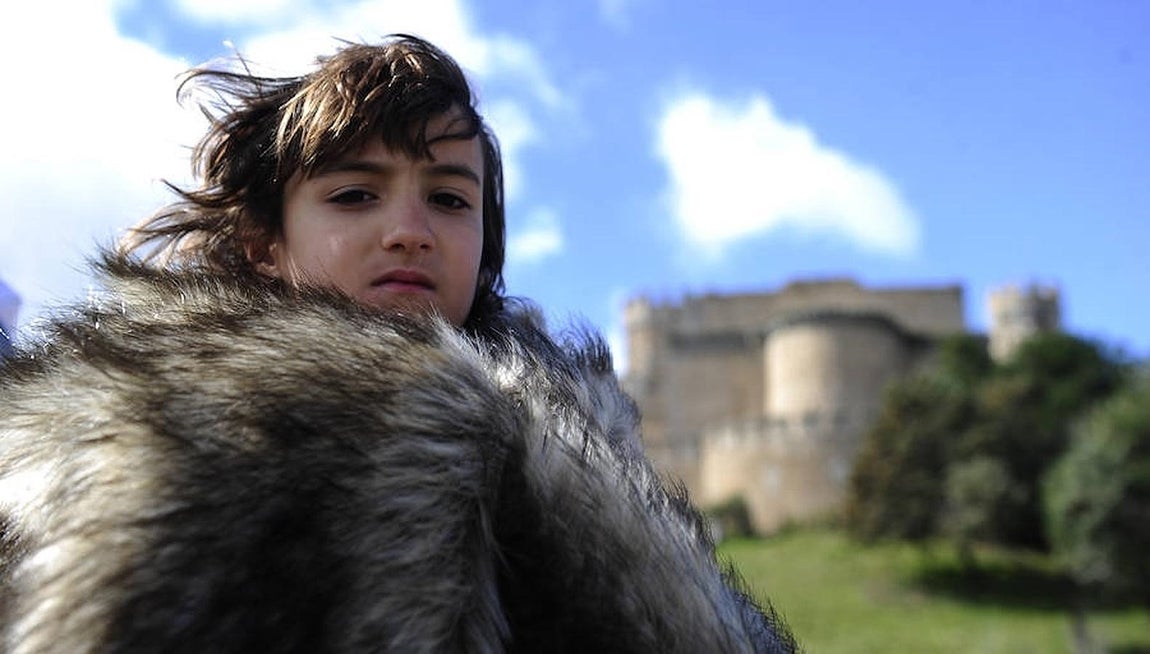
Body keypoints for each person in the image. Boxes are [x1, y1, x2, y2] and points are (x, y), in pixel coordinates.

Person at [0, 35, 796, 653]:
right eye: (354, 195)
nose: (410, 232)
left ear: (486, 246)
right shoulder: (166, 431)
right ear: (261, 244)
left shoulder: (585, 455)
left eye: (449, 198)